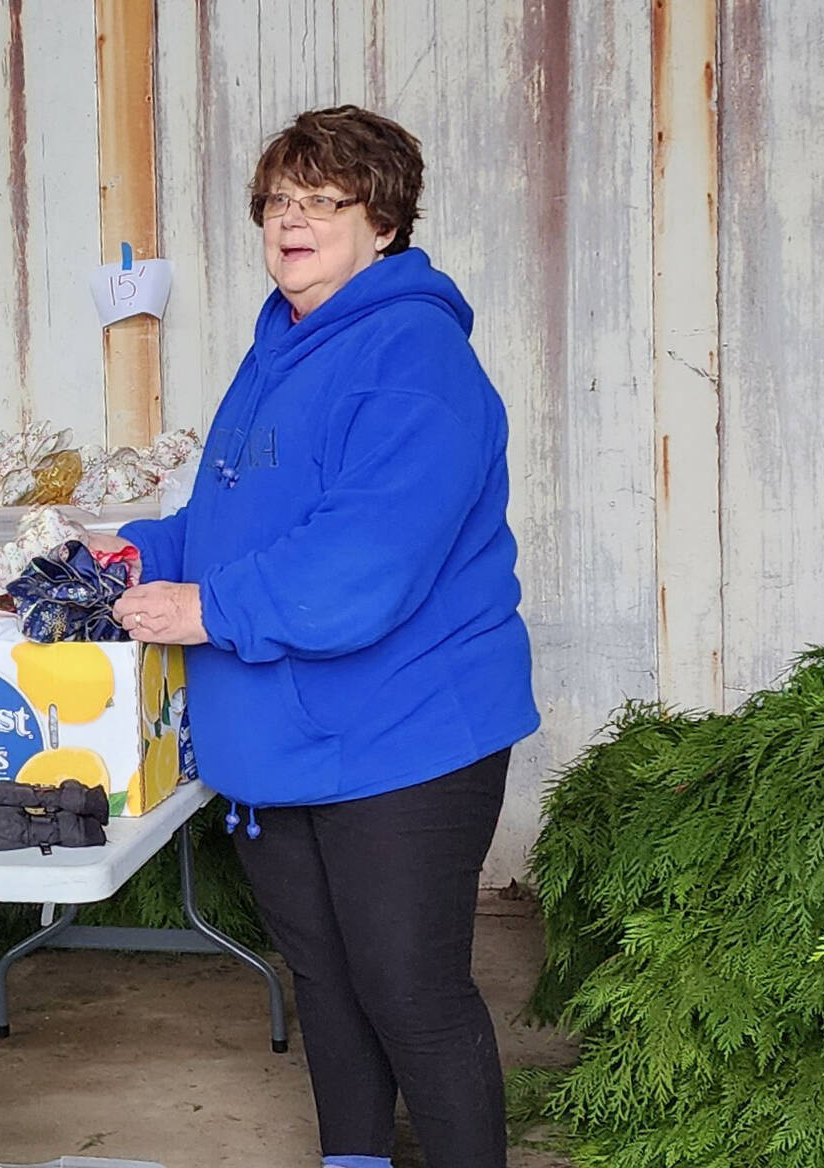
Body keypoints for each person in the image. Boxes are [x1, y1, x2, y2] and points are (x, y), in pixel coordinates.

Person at [105, 106, 539, 1168]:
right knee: (331, 987)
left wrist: (205, 610)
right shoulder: (276, 353)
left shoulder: (413, 356)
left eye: (321, 200)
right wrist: (131, 549)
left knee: (409, 990)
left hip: (400, 738)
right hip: (286, 744)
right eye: (276, 202)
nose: (290, 222)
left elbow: (364, 561)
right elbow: (229, 520)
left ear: (381, 221)